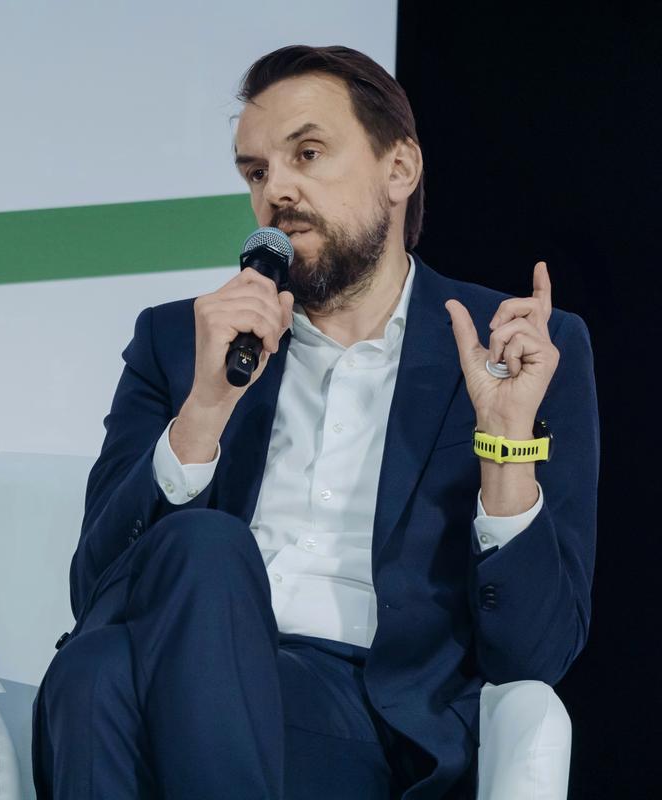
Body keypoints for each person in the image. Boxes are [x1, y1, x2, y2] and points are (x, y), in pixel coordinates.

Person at [31, 44, 598, 799]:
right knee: (124, 635)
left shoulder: (515, 348)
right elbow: (95, 591)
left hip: (369, 721)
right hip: (179, 665)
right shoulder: (183, 341)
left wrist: (504, 446)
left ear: (400, 169)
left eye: (307, 154)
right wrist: (205, 410)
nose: (277, 191)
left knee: (99, 674)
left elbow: (535, 652)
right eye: (255, 172)